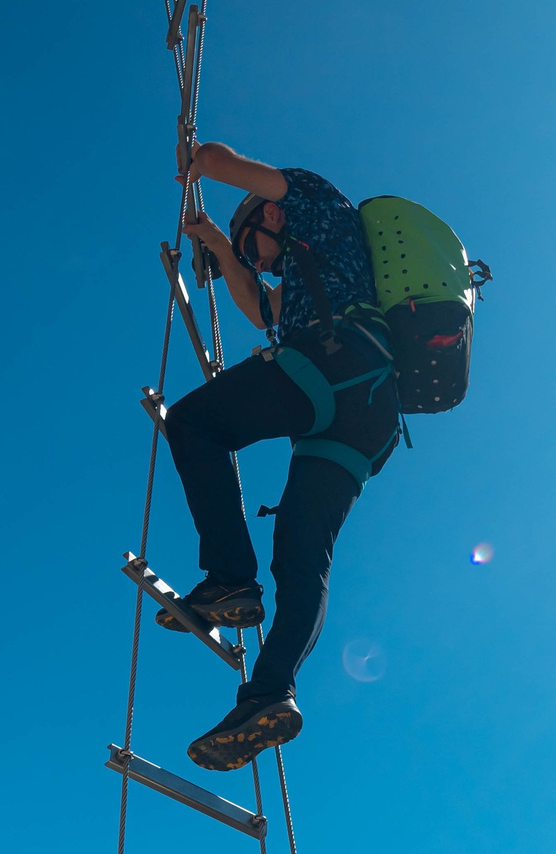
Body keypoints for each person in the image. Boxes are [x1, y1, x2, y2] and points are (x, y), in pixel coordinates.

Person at [162, 140, 402, 771]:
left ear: (266, 217)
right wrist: (216, 242)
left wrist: (196, 157)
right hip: (367, 413)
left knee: (192, 423)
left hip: (333, 362)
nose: (258, 266)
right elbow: (258, 309)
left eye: (252, 250)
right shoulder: (307, 276)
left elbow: (218, 157)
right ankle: (270, 695)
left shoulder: (314, 204)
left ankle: (231, 579)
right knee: (301, 558)